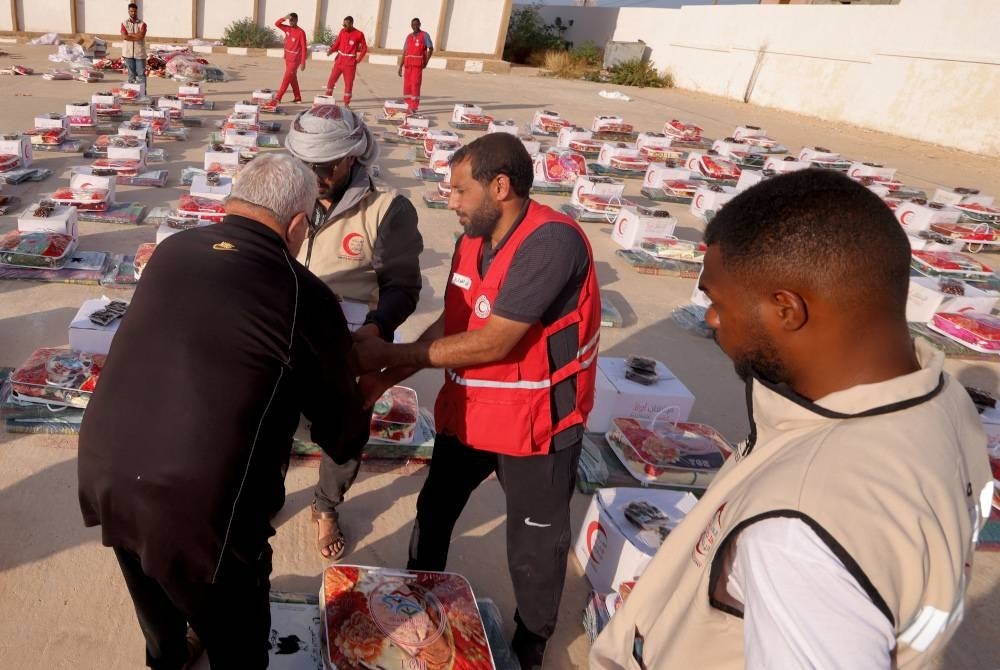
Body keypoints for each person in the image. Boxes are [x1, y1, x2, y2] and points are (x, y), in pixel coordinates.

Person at [590, 169, 993, 669]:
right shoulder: (942, 400)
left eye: (716, 301)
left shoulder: (799, 530)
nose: (711, 319)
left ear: (786, 309)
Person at [78, 153, 370, 670]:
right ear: (297, 225)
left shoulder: (172, 249)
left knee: (153, 597)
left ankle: (169, 656)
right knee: (238, 640)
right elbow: (340, 431)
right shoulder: (303, 294)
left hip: (107, 469)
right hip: (201, 508)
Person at [352, 132, 601, 670]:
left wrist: (390, 355)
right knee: (434, 510)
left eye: (460, 190)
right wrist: (388, 372)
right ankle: (419, 596)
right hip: (470, 413)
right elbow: (456, 322)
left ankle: (531, 641)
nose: (452, 201)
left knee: (533, 548)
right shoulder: (473, 238)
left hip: (536, 426)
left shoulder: (552, 243)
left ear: (500, 186)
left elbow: (495, 342)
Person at [284, 104, 423, 561]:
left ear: (353, 157)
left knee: (344, 433)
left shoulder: (386, 210)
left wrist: (377, 328)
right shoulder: (287, 195)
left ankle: (326, 505)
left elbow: (402, 287)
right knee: (269, 421)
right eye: (306, 164)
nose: (315, 176)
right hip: (286, 335)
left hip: (350, 342)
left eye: (327, 166)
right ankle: (267, 494)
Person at [325, 16, 367, 106]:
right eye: (343, 25)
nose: (344, 27)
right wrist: (331, 50)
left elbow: (364, 48)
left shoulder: (359, 34)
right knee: (331, 80)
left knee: (348, 84)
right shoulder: (342, 31)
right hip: (339, 61)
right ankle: (327, 99)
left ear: (351, 24)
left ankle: (346, 104)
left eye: (346, 25)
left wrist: (359, 59)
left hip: (350, 64)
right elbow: (337, 43)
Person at [398, 18, 434, 114]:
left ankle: (414, 107)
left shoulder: (424, 35)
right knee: (407, 86)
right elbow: (405, 52)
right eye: (412, 25)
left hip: (417, 65)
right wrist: (400, 66)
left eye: (416, 24)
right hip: (408, 65)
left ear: (419, 24)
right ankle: (407, 105)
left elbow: (431, 48)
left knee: (415, 85)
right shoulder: (409, 37)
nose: (414, 26)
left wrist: (426, 61)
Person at [274, 12, 307, 104]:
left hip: (295, 60)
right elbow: (277, 24)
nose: (291, 22)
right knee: (292, 78)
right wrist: (284, 18)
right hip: (287, 58)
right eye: (290, 20)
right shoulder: (287, 29)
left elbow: (304, 48)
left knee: (286, 78)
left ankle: (278, 97)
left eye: (293, 20)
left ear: (297, 20)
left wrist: (303, 62)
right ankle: (298, 97)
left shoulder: (301, 32)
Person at [120, 3, 147, 98]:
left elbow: (141, 36)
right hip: (128, 53)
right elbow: (124, 36)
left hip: (139, 53)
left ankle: (143, 94)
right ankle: (132, 95)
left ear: (137, 11)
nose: (133, 13)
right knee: (131, 75)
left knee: (141, 74)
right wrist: (135, 35)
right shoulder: (124, 23)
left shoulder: (142, 24)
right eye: (131, 11)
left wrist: (130, 35)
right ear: (128, 11)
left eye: (135, 11)